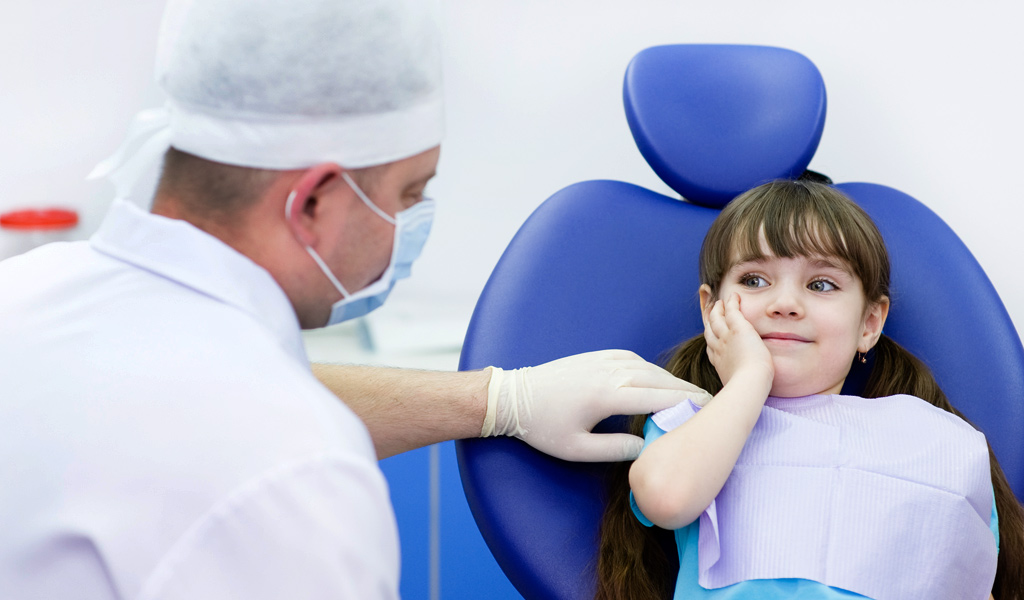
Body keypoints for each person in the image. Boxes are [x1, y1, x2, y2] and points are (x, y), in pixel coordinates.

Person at [0, 1, 709, 598]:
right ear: (313, 200)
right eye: (409, 193)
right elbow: (248, 420)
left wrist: (501, 400)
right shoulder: (294, 479)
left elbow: (198, 393)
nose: (414, 219)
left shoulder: (28, 294)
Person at [596, 180, 1024, 600]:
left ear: (870, 323)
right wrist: (749, 378)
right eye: (754, 280)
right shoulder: (692, 422)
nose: (785, 303)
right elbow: (667, 498)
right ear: (712, 309)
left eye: (821, 285)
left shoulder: (938, 442)